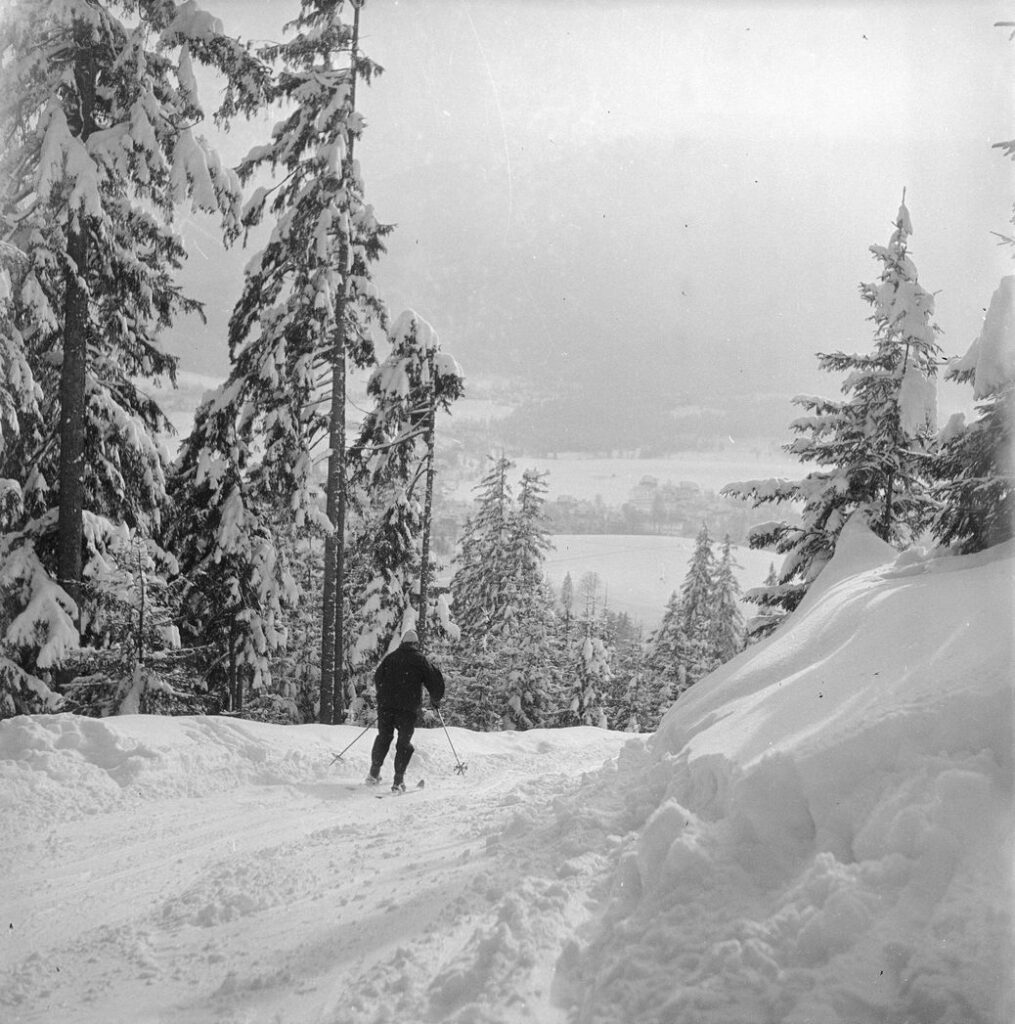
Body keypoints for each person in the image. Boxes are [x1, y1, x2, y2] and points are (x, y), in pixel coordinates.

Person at [367, 628, 445, 791]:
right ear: (415, 644)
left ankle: (373, 774)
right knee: (404, 743)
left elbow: (378, 678)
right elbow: (434, 681)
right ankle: (398, 781)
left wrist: (385, 698)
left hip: (386, 708)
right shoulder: (420, 660)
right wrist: (435, 699)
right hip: (407, 710)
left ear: (403, 643)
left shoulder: (391, 658)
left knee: (384, 737)